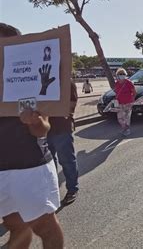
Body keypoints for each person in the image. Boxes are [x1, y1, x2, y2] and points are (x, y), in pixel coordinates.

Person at [0, 22, 64, 249]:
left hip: (29, 168)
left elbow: (43, 129)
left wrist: (35, 121)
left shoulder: (29, 80)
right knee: (16, 226)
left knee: (45, 227)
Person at [48, 81, 79, 206]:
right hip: (43, 130)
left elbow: (72, 103)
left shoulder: (68, 82)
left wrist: (62, 110)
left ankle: (72, 189)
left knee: (67, 160)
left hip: (61, 128)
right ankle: (52, 190)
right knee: (49, 164)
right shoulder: (38, 81)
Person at [114, 68, 136, 136]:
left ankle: (127, 130)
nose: (122, 75)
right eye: (120, 74)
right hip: (119, 103)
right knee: (120, 118)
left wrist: (132, 100)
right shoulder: (116, 83)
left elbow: (134, 92)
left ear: (125, 74)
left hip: (128, 103)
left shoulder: (129, 82)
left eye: (123, 74)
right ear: (117, 75)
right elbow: (116, 92)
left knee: (127, 117)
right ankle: (124, 128)